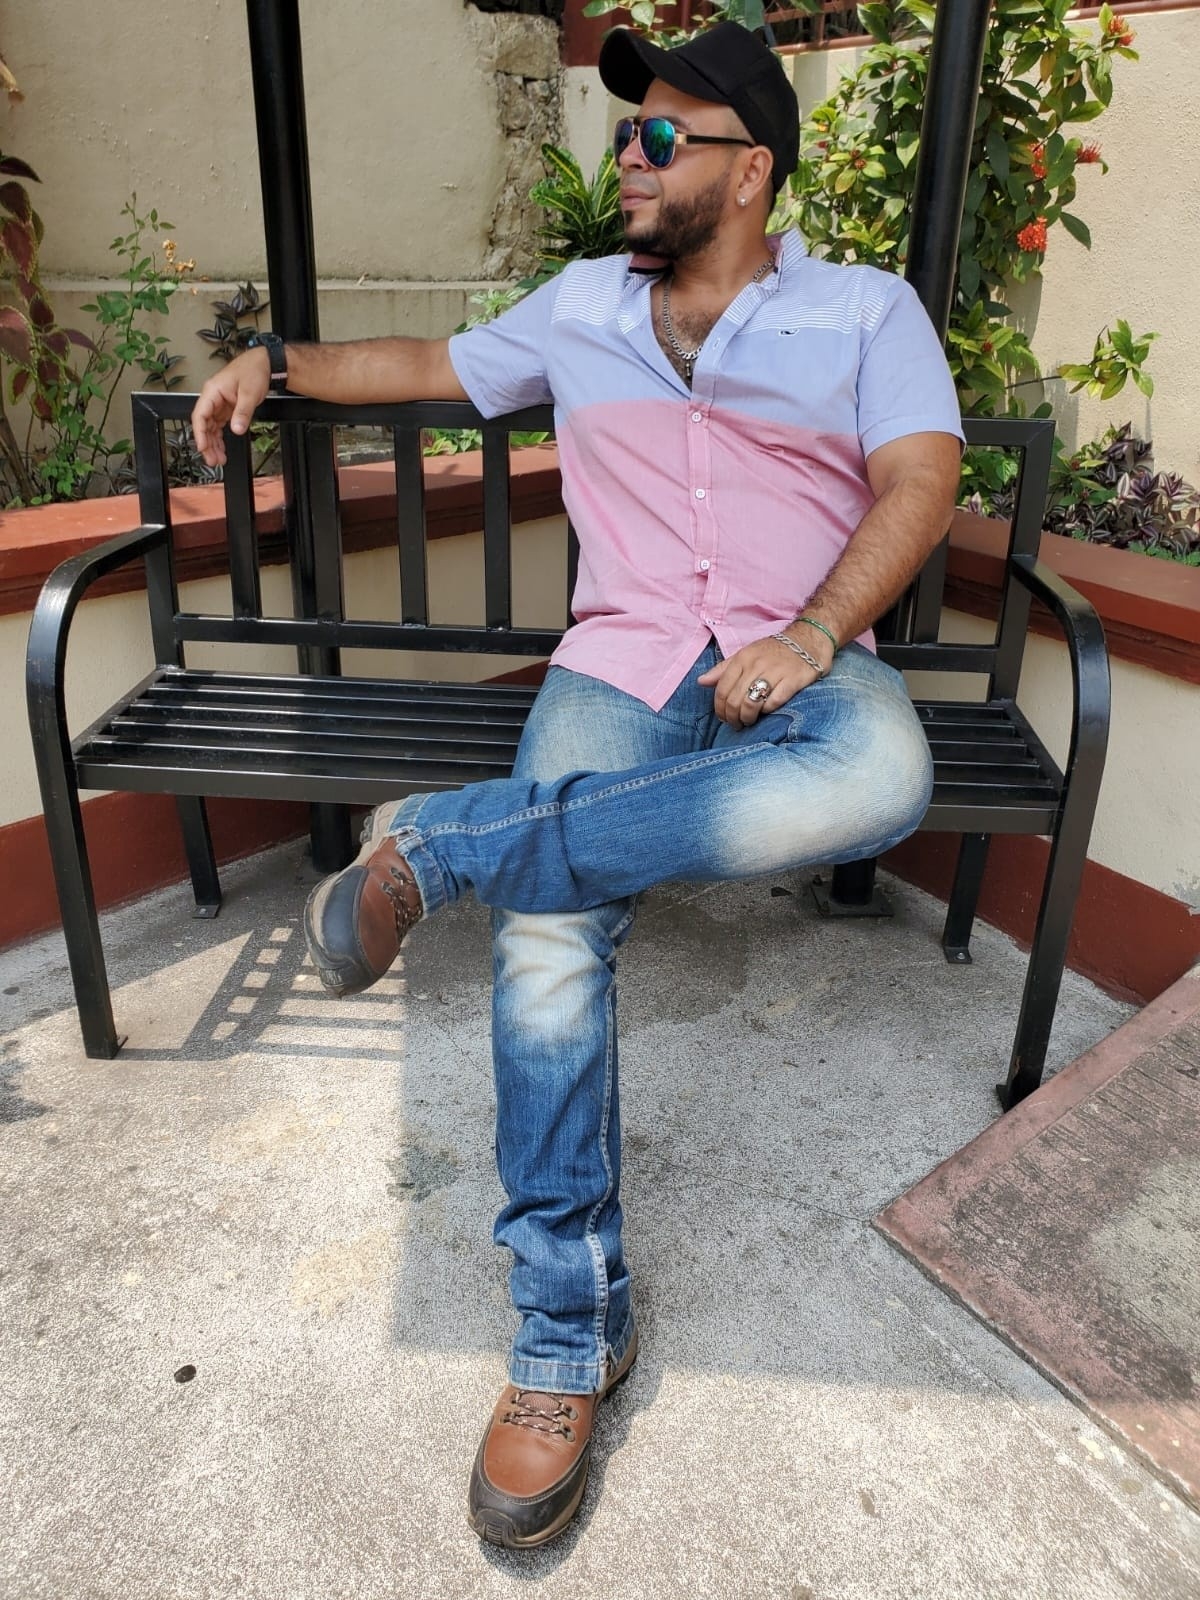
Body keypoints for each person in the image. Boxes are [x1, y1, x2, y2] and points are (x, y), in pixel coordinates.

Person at [192, 21, 963, 1550]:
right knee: (550, 933)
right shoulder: (582, 307)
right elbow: (425, 366)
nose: (628, 157)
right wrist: (273, 364)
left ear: (750, 169)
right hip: (621, 669)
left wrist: (814, 636)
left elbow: (920, 479)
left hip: (798, 662)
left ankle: (447, 846)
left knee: (886, 768)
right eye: (626, 134)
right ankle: (564, 1330)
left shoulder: (865, 311)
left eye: (661, 136)